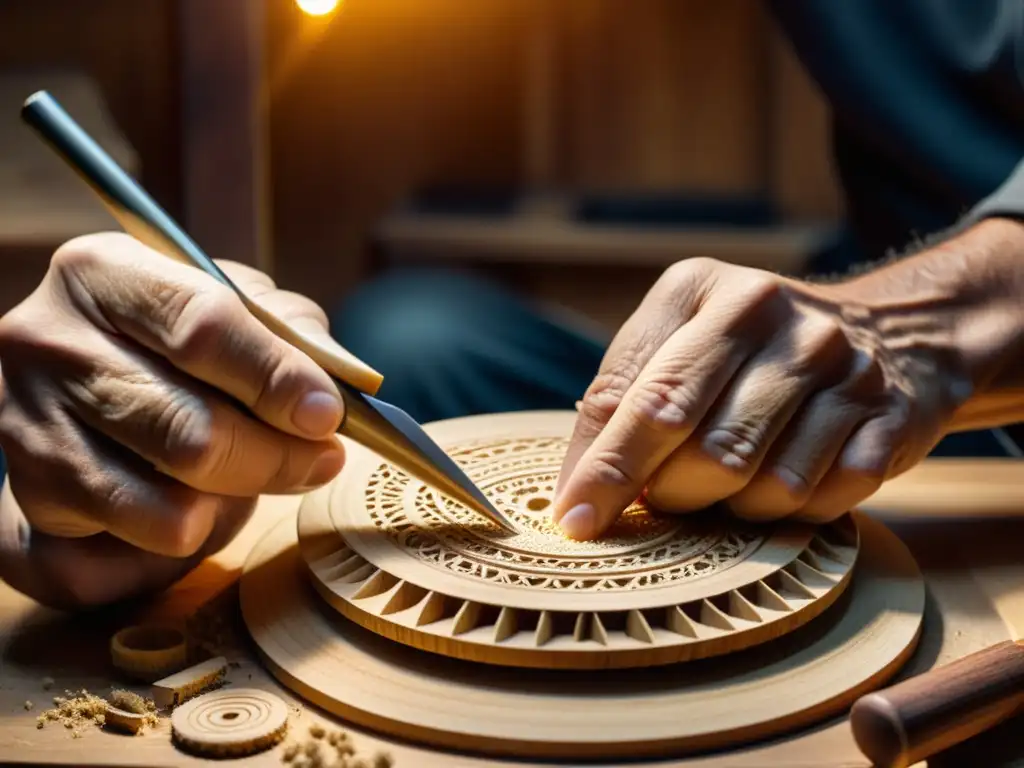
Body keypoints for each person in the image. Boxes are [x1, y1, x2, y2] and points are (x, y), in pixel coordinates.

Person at [2, 0, 1024, 608]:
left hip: (935, 381)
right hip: (840, 367)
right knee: (413, 334)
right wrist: (148, 428)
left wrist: (922, 323)